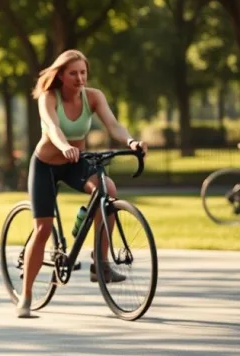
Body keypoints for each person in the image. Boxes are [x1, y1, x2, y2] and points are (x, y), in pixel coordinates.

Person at [19, 49, 147, 318]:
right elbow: (52, 127)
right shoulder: (48, 97)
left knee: (108, 190)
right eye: (73, 73)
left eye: (83, 72)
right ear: (61, 76)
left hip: (75, 161)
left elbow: (113, 125)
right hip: (46, 164)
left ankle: (99, 264)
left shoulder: (94, 97)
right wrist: (64, 145)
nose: (79, 78)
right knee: (43, 230)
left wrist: (131, 142)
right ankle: (27, 296)